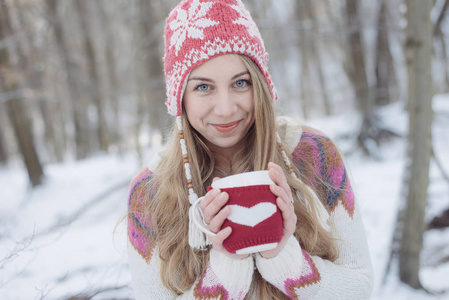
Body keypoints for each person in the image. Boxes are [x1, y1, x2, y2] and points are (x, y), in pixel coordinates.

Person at [127, 0, 373, 299]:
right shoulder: (150, 192)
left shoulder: (315, 155)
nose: (226, 108)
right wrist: (229, 266)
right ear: (180, 98)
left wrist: (282, 257)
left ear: (260, 84)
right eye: (203, 87)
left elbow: (360, 288)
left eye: (240, 83)